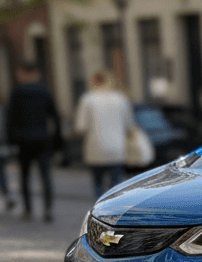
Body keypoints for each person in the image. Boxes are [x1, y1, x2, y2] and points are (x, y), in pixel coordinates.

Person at [6, 60, 63, 221]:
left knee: (24, 176)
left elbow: (11, 119)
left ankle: (28, 209)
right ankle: (48, 209)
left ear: (24, 73)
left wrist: (11, 140)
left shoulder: (17, 92)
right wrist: (57, 141)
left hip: (23, 139)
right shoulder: (44, 91)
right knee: (45, 175)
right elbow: (55, 116)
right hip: (42, 138)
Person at [74, 70, 138, 199]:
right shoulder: (121, 98)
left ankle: (100, 211)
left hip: (95, 149)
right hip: (117, 149)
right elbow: (130, 125)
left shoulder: (87, 99)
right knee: (116, 185)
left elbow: (80, 127)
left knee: (98, 183)